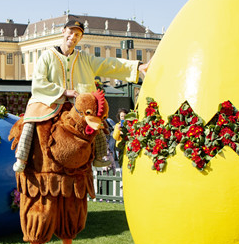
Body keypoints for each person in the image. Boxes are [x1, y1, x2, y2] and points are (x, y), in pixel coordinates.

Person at [12, 20, 148, 172]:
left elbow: (109, 64)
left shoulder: (85, 58)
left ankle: (101, 155)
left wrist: (137, 66)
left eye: (77, 34)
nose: (73, 36)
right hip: (50, 101)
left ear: (80, 38)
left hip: (77, 104)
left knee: (97, 122)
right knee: (31, 118)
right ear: (63, 31)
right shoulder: (47, 56)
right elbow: (38, 82)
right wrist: (63, 92)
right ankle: (22, 156)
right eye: (71, 32)